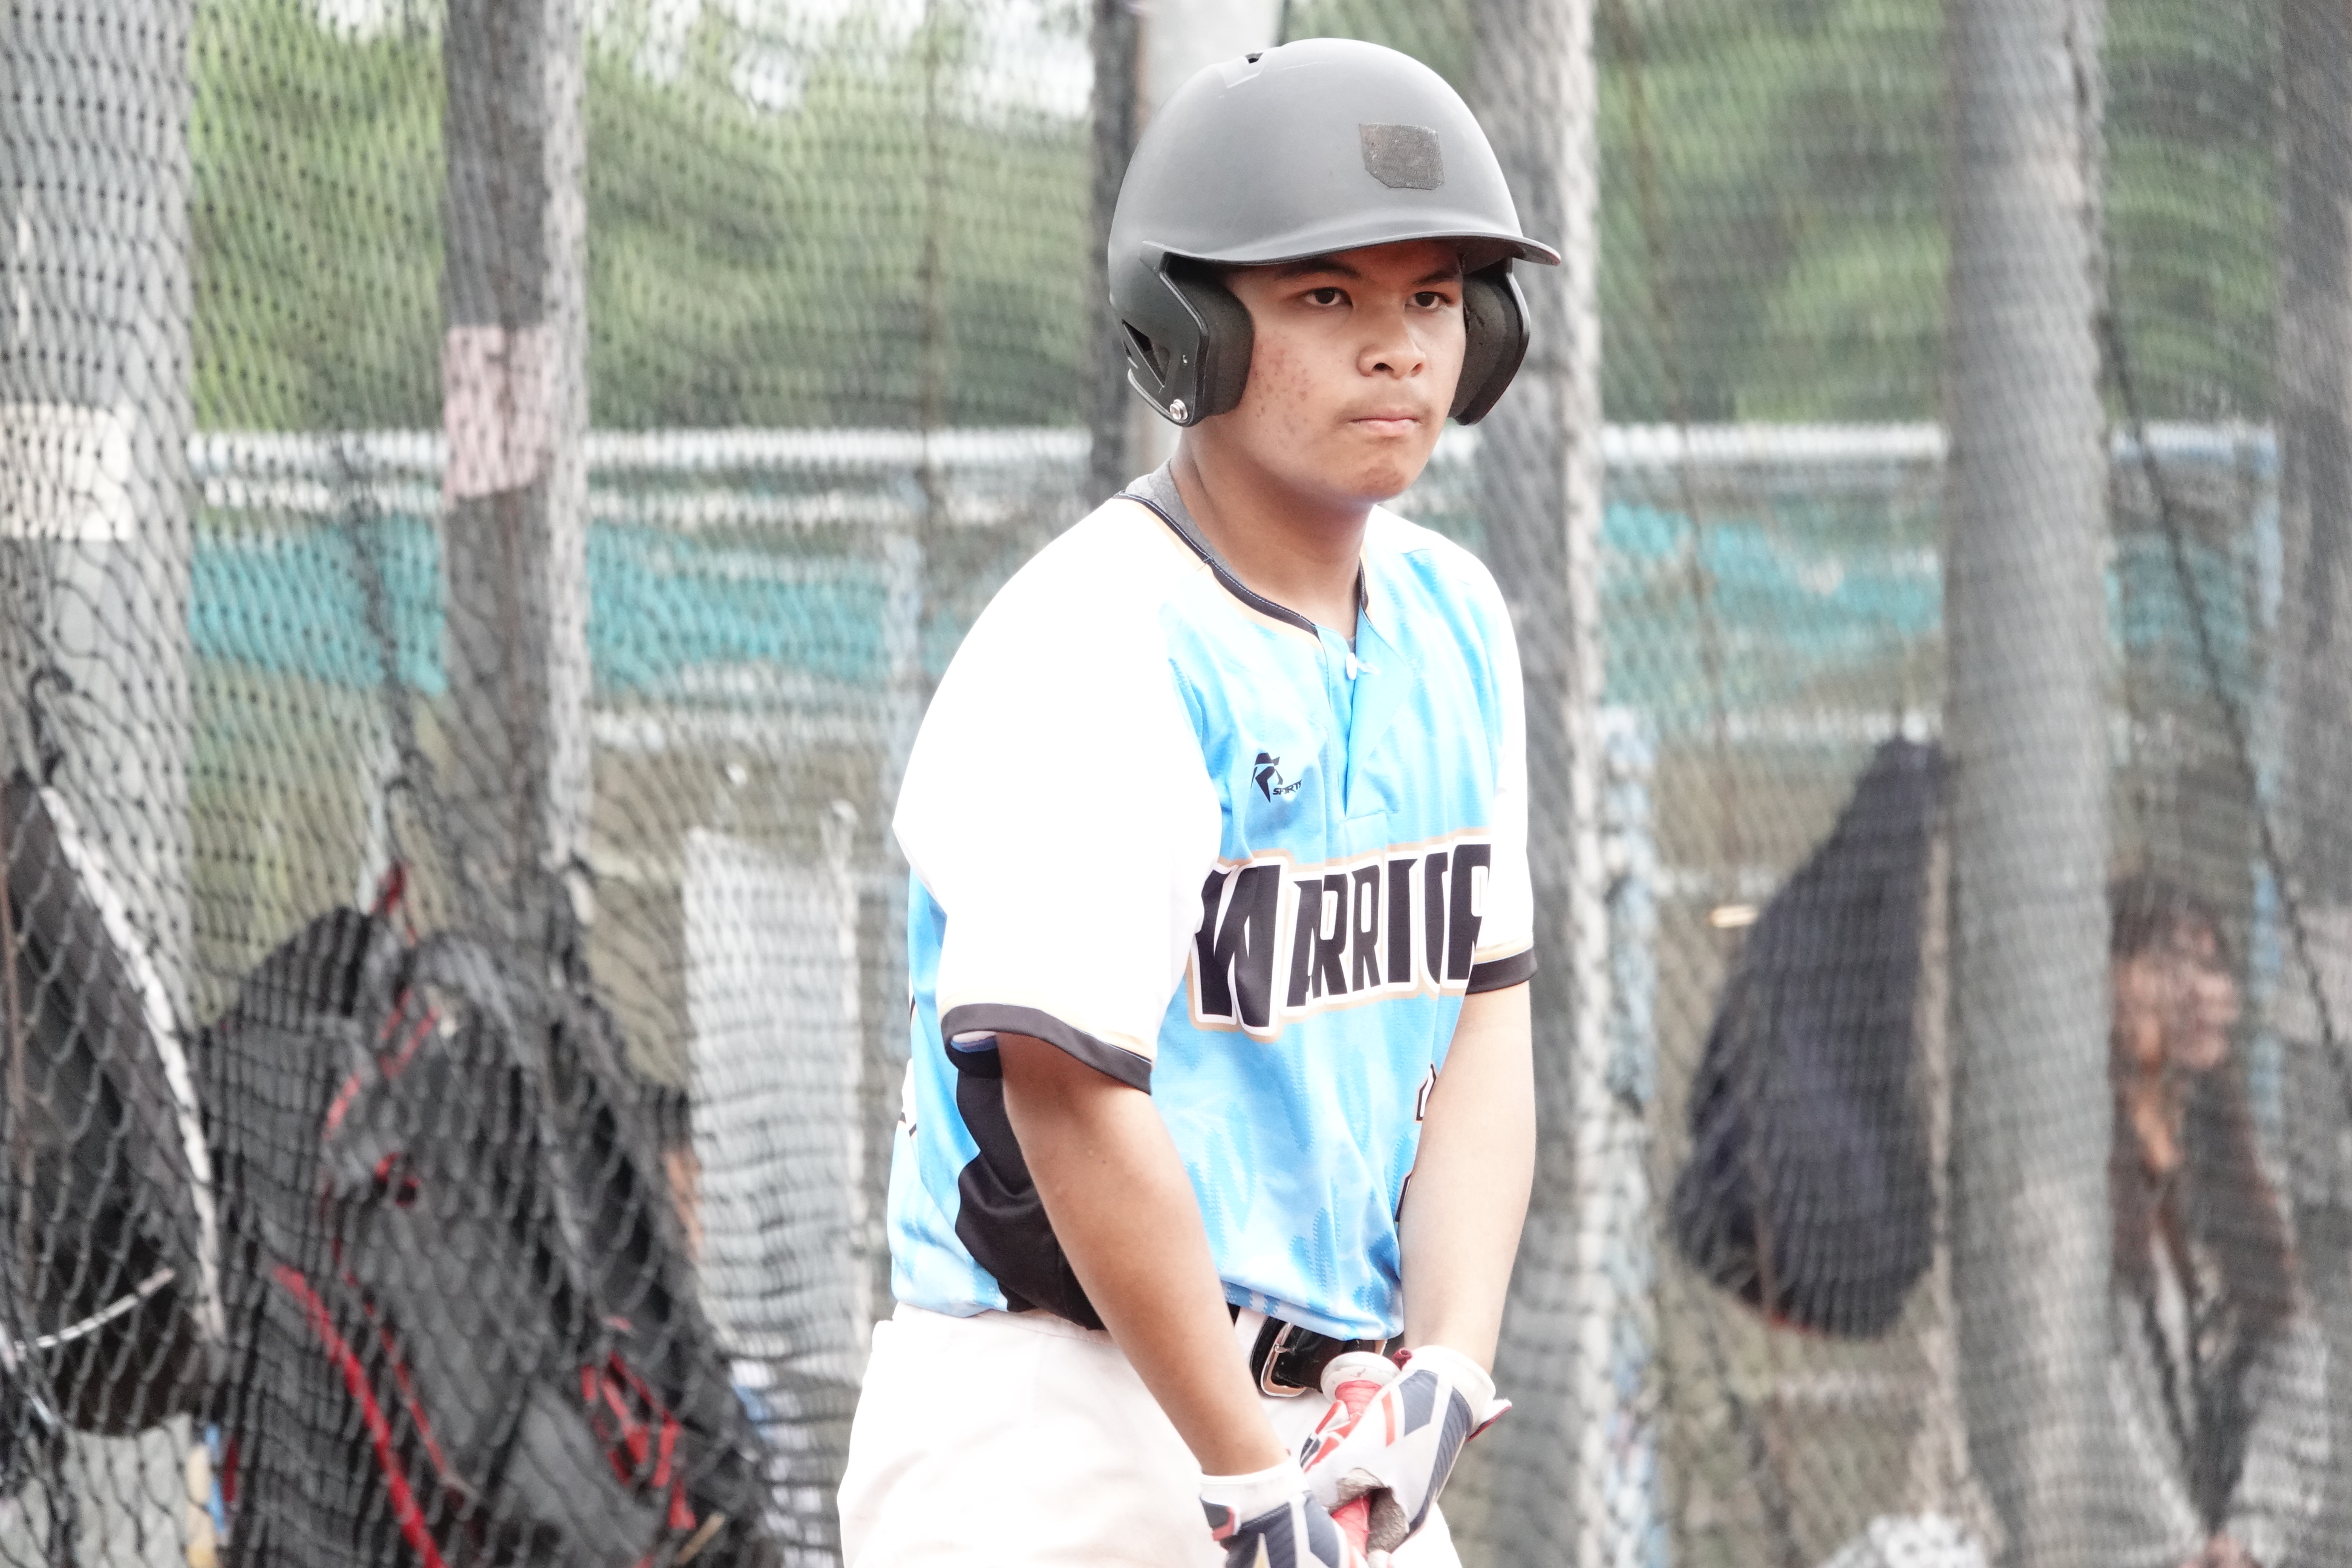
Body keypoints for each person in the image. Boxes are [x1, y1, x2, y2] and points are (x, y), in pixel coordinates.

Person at [835, 38, 1553, 1568]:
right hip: (1059, 1412)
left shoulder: (1454, 619)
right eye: (1327, 296)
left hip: (1325, 1408)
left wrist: (1447, 1358)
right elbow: (1068, 1095)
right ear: (1192, 334)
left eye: (1434, 298)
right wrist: (1242, 1473)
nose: (1397, 348)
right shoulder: (1102, 635)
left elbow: (1483, 1021)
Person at [2102, 875, 2328, 1568]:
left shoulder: (2233, 1172)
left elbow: (2293, 1360)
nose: (2198, 991)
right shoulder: (2079, 1180)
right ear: (2104, 983)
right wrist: (2174, 1547)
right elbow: (2091, 1393)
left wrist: (2247, 1540)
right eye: (2165, 963)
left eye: (2211, 966)